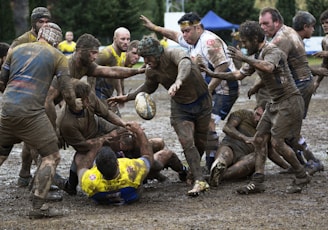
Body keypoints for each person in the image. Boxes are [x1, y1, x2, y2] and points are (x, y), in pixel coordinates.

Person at [17, 33, 145, 189]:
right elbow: (47, 100)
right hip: (35, 105)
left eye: (97, 52)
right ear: (80, 51)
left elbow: (110, 71)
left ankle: (25, 177)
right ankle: (41, 185)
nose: (95, 56)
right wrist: (55, 129)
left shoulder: (86, 65)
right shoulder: (65, 66)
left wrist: (137, 72)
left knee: (31, 143)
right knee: (44, 146)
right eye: (93, 52)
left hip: (44, 104)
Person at [200, 21, 311, 194]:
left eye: (245, 42)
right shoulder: (257, 54)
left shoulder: (272, 51)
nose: (243, 46)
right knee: (259, 140)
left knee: (277, 143)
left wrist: (244, 58)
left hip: (289, 101)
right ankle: (258, 181)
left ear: (254, 39)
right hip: (274, 103)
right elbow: (238, 74)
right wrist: (212, 73)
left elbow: (268, 67)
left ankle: (301, 174)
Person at [109, 36, 212, 196]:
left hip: (202, 102)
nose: (146, 61)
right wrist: (127, 97)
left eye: (148, 57)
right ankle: (200, 180)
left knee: (200, 141)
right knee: (187, 141)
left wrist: (178, 81)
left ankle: (194, 171)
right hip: (180, 108)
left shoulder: (173, 53)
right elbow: (148, 87)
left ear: (157, 53)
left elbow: (185, 64)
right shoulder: (151, 70)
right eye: (143, 57)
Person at [0, 23, 80, 218]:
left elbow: (2, 81)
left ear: (40, 35)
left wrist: (13, 99)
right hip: (31, 114)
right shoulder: (58, 56)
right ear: (57, 40)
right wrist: (75, 106)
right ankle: (38, 206)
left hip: (7, 109)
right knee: (51, 156)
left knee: (1, 155)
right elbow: (68, 91)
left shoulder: (16, 50)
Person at [140, 13, 239, 171]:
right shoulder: (192, 40)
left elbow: (223, 67)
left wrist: (208, 90)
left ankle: (211, 164)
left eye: (187, 31)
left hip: (225, 87)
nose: (184, 35)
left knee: (209, 123)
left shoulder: (209, 42)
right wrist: (154, 28)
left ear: (198, 28)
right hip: (209, 86)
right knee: (198, 128)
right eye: (183, 31)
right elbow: (174, 35)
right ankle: (208, 160)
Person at [254, 7, 323, 173]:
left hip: (297, 87)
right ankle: (301, 163)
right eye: (260, 24)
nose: (262, 27)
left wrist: (259, 101)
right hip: (301, 84)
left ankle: (310, 162)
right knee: (289, 130)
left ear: (277, 22)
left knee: (288, 130)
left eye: (266, 23)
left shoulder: (280, 39)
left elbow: (268, 69)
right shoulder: (287, 32)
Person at [209, 105, 292, 187]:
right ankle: (218, 168)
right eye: (257, 114)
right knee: (224, 155)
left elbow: (271, 153)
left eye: (262, 118)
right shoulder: (242, 114)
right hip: (230, 147)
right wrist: (245, 138)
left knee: (256, 157)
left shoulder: (267, 130)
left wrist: (287, 167)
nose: (258, 119)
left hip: (246, 158)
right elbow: (227, 128)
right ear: (254, 110)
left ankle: (216, 177)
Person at [78, 121, 154, 205]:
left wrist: (95, 148)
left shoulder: (90, 181)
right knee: (162, 155)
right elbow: (148, 157)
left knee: (79, 156)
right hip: (130, 195)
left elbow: (81, 168)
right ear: (118, 162)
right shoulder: (131, 171)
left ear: (96, 168)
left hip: (103, 199)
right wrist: (139, 131)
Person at [95, 39, 141, 115]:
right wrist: (120, 93)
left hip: (106, 88)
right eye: (134, 53)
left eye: (139, 55)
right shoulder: (121, 58)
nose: (136, 57)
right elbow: (116, 76)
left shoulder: (129, 63)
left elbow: (121, 78)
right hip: (99, 86)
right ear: (127, 52)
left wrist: (121, 94)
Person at [95, 27, 131, 106]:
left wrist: (120, 93)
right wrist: (90, 95)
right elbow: (90, 70)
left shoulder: (123, 55)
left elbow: (118, 76)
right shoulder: (106, 53)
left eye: (128, 39)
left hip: (108, 93)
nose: (126, 42)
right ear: (115, 39)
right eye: (123, 39)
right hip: (97, 92)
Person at [312, 10, 328, 92]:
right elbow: (325, 64)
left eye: (327, 22)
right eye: (323, 23)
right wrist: (317, 82)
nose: (324, 25)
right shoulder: (324, 41)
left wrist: (326, 53)